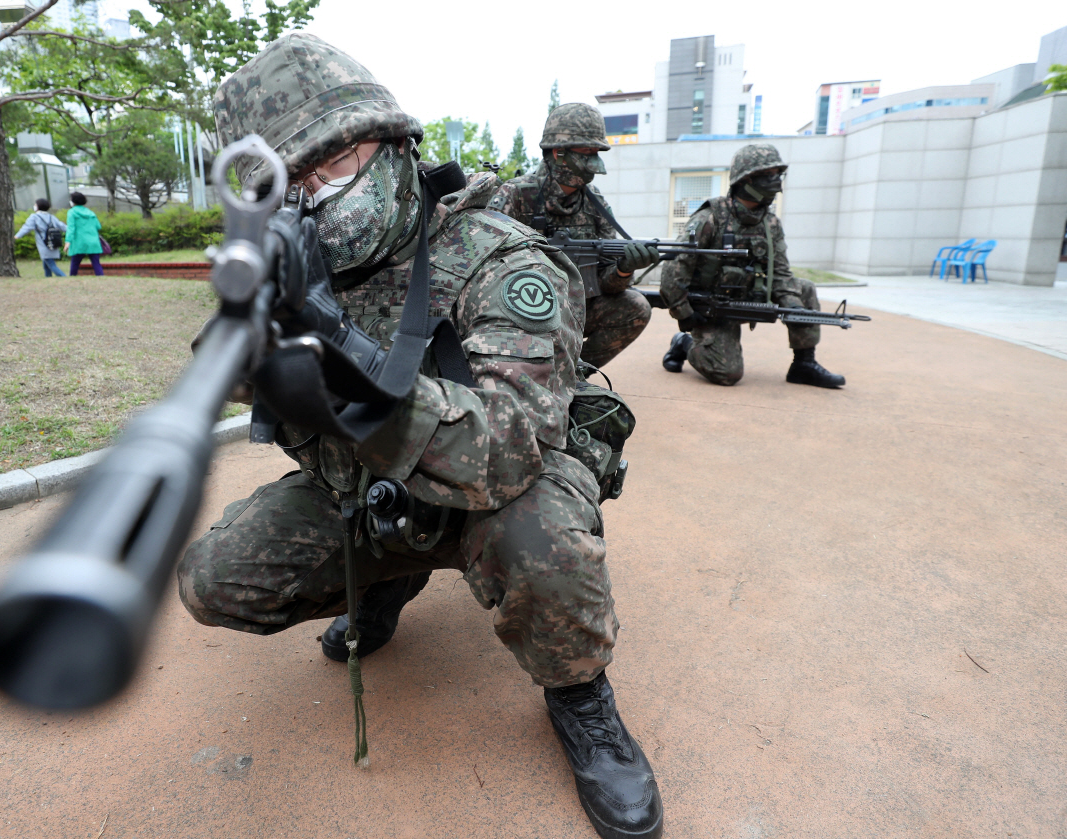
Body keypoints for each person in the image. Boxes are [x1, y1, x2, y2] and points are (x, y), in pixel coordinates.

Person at [178, 33, 663, 839]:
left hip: (498, 491)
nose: (313, 196)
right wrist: (253, 329)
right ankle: (386, 576)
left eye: (332, 163)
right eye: (285, 185)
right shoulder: (301, 258)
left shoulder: (501, 260)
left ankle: (581, 696)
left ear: (399, 145)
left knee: (540, 533)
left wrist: (343, 367)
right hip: (369, 489)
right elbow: (225, 380)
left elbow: (510, 450)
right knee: (214, 579)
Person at [659, 143, 845, 388]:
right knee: (727, 374)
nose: (775, 181)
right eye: (767, 175)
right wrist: (686, 314)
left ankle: (804, 364)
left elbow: (780, 271)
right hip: (713, 305)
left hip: (753, 296)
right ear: (745, 179)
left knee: (804, 289)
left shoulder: (770, 223)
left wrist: (793, 305)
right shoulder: (710, 218)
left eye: (777, 174)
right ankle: (684, 342)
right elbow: (674, 270)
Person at [488, 104, 657, 368]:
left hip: (575, 307)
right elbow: (483, 266)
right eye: (586, 154)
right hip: (522, 308)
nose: (593, 164)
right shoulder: (518, 196)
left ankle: (574, 375)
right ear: (558, 154)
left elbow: (605, 285)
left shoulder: (595, 203)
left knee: (635, 306)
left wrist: (624, 270)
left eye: (596, 153)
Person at [14, 198, 67, 277]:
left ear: (38, 207)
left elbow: (27, 227)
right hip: (53, 242)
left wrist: (17, 235)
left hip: (44, 242)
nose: (34, 206)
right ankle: (48, 278)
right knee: (46, 263)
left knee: (50, 263)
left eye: (35, 205)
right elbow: (62, 226)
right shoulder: (51, 217)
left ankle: (63, 277)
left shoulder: (34, 217)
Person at [64, 192, 104, 276]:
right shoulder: (91, 213)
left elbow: (71, 228)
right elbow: (98, 226)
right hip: (93, 241)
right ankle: (101, 277)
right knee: (96, 263)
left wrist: (68, 242)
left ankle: (72, 278)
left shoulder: (71, 212)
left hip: (79, 241)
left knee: (75, 263)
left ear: (73, 201)